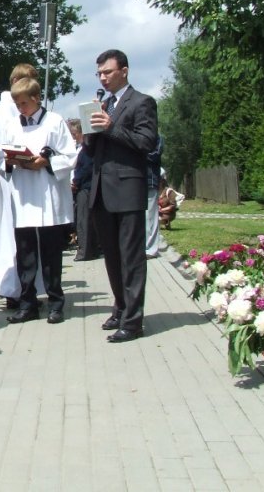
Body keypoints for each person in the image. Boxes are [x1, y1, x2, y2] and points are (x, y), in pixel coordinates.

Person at [86, 49, 158, 343]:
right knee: (112, 256)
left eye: (107, 72)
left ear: (124, 71)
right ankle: (120, 307)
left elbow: (146, 142)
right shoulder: (103, 104)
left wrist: (111, 127)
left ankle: (133, 321)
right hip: (102, 190)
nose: (102, 78)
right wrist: (91, 130)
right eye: (99, 73)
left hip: (127, 189)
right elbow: (92, 150)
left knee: (131, 257)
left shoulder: (142, 102)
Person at [1, 78, 77, 324]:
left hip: (48, 197)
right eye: (16, 104)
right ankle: (27, 304)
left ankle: (56, 304)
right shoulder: (13, 125)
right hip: (23, 197)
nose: (20, 108)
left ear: (36, 98)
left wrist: (46, 161)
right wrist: (10, 161)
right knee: (26, 256)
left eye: (23, 103)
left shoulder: (54, 121)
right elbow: (2, 158)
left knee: (51, 255)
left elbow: (70, 155)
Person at [0, 63, 43, 309]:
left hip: (24, 173)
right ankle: (15, 288)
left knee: (24, 235)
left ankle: (25, 287)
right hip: (13, 175)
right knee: (13, 236)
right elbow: (10, 142)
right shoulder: (6, 108)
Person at [71, 120, 100, 261]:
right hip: (86, 187)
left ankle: (84, 251)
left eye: (75, 133)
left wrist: (76, 181)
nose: (73, 136)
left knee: (83, 221)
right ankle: (92, 250)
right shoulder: (83, 149)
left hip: (85, 187)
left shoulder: (86, 150)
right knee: (88, 221)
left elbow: (86, 168)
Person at [145, 135, 164, 257]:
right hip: (135, 182)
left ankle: (151, 250)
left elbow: (154, 155)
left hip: (150, 180)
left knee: (150, 217)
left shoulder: (157, 138)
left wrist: (136, 153)